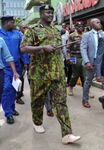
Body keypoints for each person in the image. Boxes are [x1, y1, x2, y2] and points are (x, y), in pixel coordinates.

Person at [20, 4, 80, 144]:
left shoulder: (56, 30)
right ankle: (37, 122)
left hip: (57, 72)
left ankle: (67, 134)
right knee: (37, 101)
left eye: (52, 12)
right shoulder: (32, 30)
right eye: (47, 12)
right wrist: (42, 47)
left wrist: (67, 57)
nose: (50, 15)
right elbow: (23, 48)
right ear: (41, 14)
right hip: (39, 74)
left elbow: (59, 51)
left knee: (61, 102)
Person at [0, 16, 25, 124]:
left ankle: (12, 107)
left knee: (15, 88)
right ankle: (8, 113)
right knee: (6, 89)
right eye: (12, 22)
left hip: (17, 65)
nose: (14, 23)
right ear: (6, 23)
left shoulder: (18, 34)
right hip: (4, 67)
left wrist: (26, 62)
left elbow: (23, 48)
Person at [81, 18, 104, 108]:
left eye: (100, 22)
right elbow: (83, 49)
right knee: (88, 81)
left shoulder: (103, 34)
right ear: (92, 25)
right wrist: (87, 61)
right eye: (97, 22)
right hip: (91, 62)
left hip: (102, 62)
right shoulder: (86, 35)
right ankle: (85, 100)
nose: (99, 24)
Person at [66, 22, 86, 100]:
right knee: (75, 74)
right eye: (78, 26)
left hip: (84, 57)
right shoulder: (72, 36)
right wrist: (68, 58)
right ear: (76, 27)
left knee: (85, 74)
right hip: (74, 57)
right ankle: (71, 87)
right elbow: (68, 48)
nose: (80, 27)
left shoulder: (86, 35)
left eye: (82, 26)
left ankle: (86, 89)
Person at [0, 37, 19, 106]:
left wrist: (14, 72)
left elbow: (8, 57)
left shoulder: (1, 40)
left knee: (2, 93)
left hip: (0, 72)